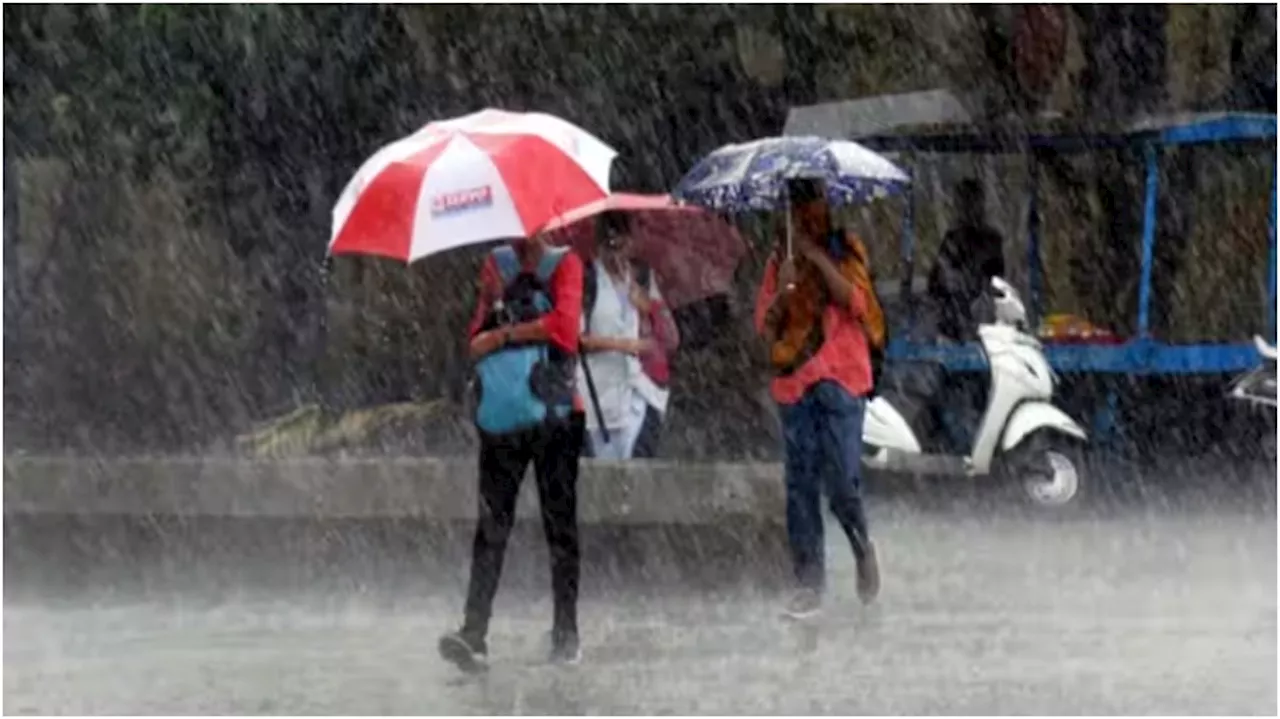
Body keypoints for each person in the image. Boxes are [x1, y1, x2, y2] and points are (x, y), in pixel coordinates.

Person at [438, 231, 585, 672]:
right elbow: (474, 337)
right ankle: (474, 632)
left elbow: (566, 327)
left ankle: (566, 631)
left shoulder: (565, 264)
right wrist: (497, 313)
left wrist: (506, 334)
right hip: (501, 420)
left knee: (560, 527)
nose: (523, 231)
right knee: (491, 526)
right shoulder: (495, 266)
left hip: (555, 416)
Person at [754, 177, 882, 619]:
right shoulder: (778, 261)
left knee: (843, 481)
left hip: (843, 380)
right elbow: (766, 329)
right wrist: (786, 287)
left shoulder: (846, 249)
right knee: (800, 485)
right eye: (797, 205)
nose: (806, 212)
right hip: (795, 384)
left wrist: (817, 260)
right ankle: (808, 582)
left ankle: (861, 543)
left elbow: (858, 303)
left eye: (812, 202)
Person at [578, 211, 680, 460]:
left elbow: (671, 338)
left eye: (622, 245)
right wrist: (625, 344)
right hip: (596, 396)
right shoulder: (587, 279)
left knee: (638, 473)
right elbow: (578, 339)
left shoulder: (642, 277)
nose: (616, 255)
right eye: (610, 246)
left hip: (638, 390)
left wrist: (649, 307)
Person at [927, 178, 1006, 341]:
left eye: (970, 202)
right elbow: (936, 284)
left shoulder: (989, 239)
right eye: (963, 203)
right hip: (955, 322)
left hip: (982, 322)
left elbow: (997, 279)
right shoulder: (953, 239)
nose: (966, 209)